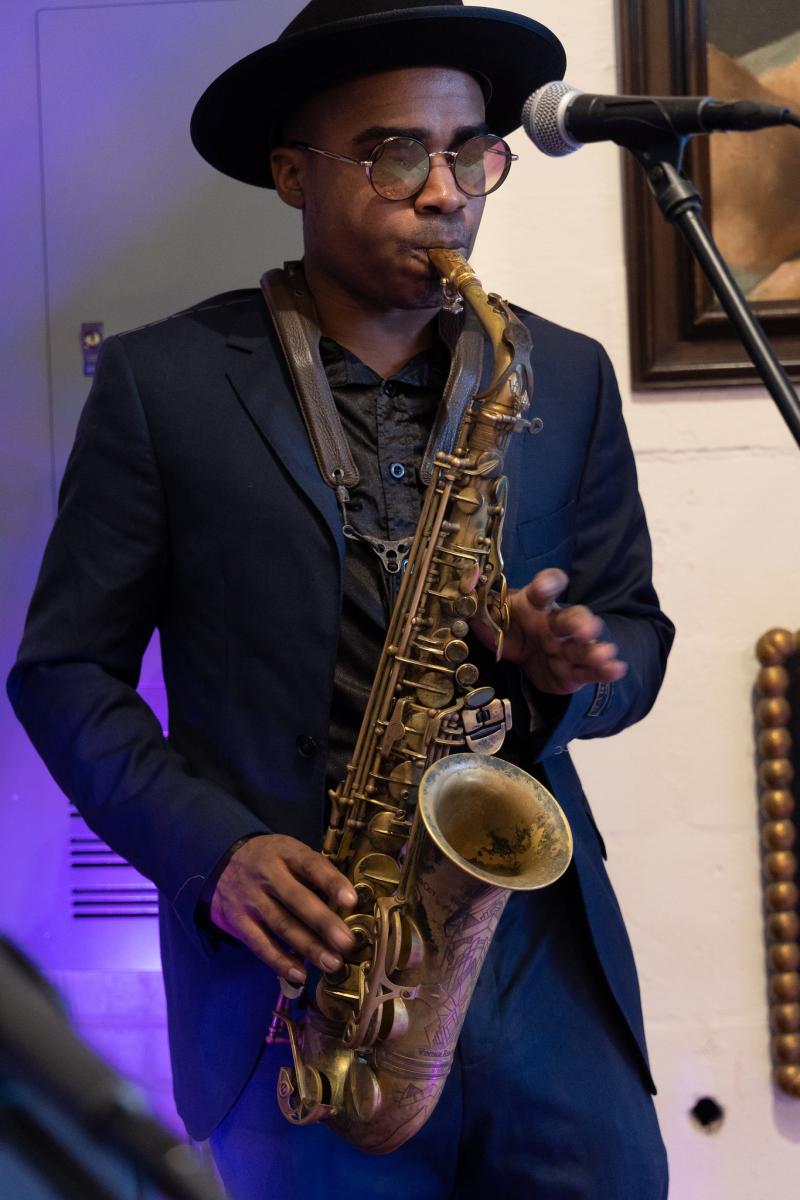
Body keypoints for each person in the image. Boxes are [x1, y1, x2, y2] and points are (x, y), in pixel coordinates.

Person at [7, 1, 674, 1196]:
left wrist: (566, 670)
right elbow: (62, 676)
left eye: (469, 152)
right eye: (394, 154)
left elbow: (635, 626)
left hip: (541, 984)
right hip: (300, 987)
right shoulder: (164, 384)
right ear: (291, 174)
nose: (445, 193)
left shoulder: (562, 373)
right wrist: (215, 854)